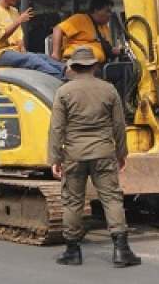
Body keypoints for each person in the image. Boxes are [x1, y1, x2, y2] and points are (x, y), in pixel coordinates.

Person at [48, 46, 141, 268]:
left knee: (73, 201)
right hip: (103, 153)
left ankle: (72, 251)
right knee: (112, 198)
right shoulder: (109, 90)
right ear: (94, 66)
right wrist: (121, 153)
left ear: (74, 67)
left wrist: (55, 158)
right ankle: (121, 250)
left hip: (74, 154)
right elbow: (119, 125)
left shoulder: (64, 92)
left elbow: (56, 128)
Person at [0, 0, 65, 79]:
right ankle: (62, 79)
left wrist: (23, 50)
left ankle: (69, 72)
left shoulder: (14, 11)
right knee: (32, 59)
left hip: (14, 52)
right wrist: (19, 20)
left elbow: (19, 38)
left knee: (43, 57)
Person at [51, 0, 120, 64]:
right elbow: (58, 29)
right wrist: (56, 54)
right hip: (77, 65)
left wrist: (112, 51)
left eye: (110, 12)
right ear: (96, 10)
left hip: (98, 65)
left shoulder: (105, 27)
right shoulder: (80, 19)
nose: (110, 14)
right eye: (107, 11)